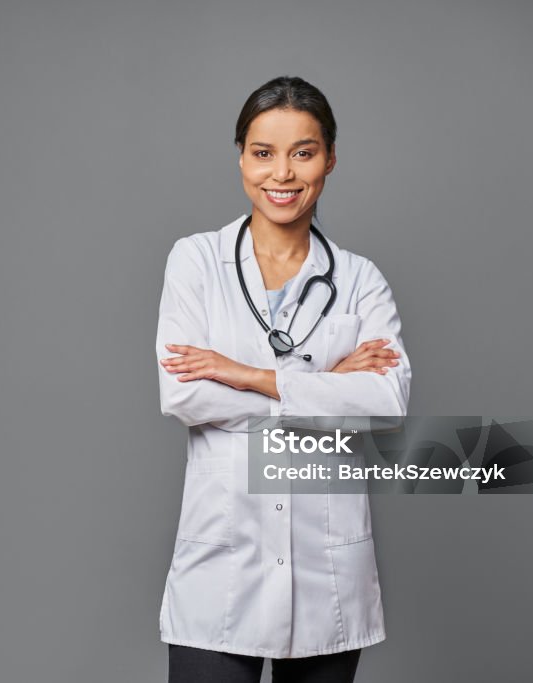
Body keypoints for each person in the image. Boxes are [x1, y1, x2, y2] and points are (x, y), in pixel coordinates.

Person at [155, 76, 412, 683]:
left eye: (304, 151)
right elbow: (185, 394)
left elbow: (387, 400)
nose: (283, 174)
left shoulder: (359, 279)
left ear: (329, 159)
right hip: (222, 566)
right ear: (241, 155)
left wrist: (249, 376)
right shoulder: (195, 261)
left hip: (326, 576)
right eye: (263, 152)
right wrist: (323, 385)